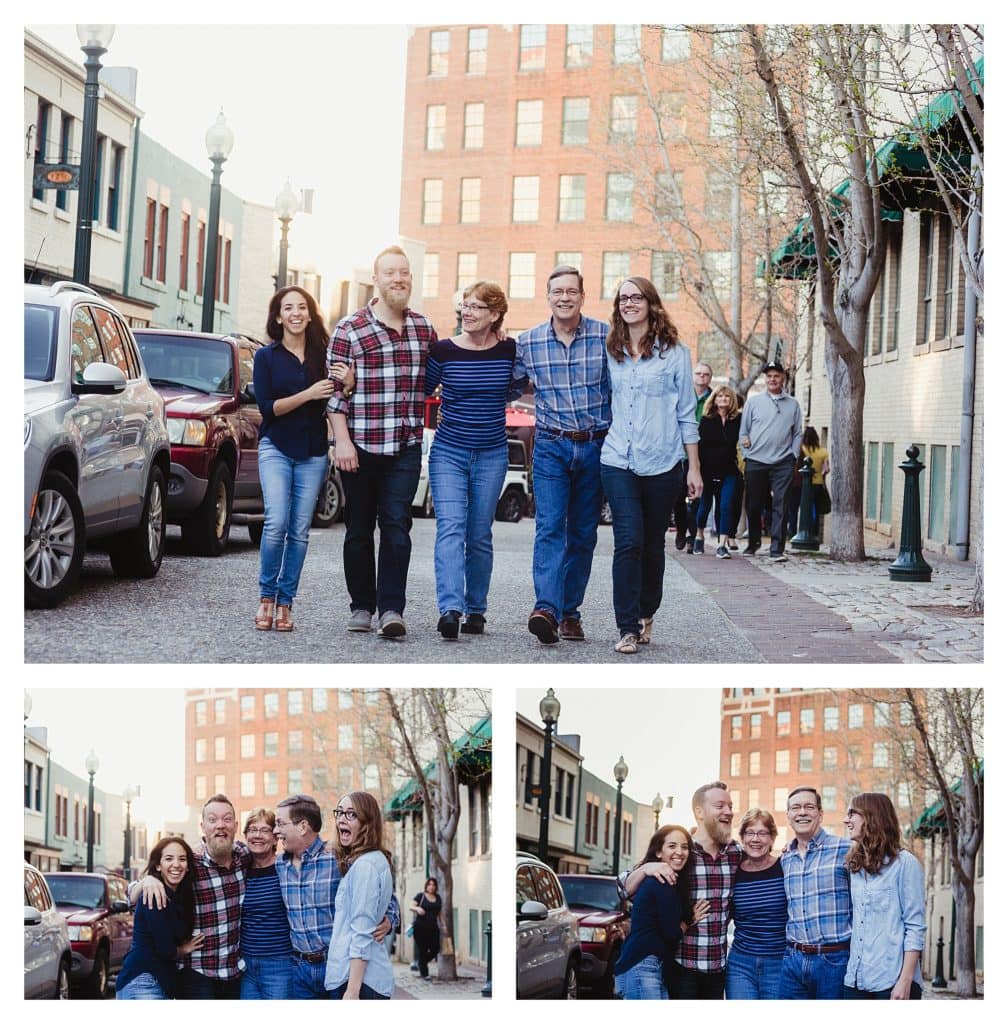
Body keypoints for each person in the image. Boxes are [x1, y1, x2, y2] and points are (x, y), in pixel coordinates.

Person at [327, 246, 437, 639]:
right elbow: (334, 394)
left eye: (404, 272)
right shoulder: (350, 329)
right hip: (359, 446)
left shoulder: (424, 329)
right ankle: (361, 605)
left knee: (397, 526)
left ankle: (392, 608)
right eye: (390, 272)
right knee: (358, 529)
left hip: (404, 446)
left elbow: (440, 379)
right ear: (376, 279)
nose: (398, 279)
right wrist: (342, 442)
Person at [600, 277, 701, 654]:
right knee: (628, 541)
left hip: (662, 462)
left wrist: (694, 468)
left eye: (635, 297)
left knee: (652, 543)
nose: (628, 303)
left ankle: (645, 612)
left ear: (651, 303)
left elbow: (686, 414)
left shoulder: (675, 353)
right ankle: (626, 626)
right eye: (622, 298)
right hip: (617, 459)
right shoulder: (609, 350)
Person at [514, 264, 610, 645]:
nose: (565, 298)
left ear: (582, 297)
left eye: (572, 291)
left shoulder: (606, 336)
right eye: (558, 292)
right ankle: (547, 610)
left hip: (596, 444)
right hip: (551, 445)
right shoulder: (529, 342)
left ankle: (571, 612)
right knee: (550, 527)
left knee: (583, 534)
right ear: (548, 296)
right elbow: (505, 386)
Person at [253, 286, 350, 633]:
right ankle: (266, 596)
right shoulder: (266, 357)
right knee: (276, 521)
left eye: (301, 307)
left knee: (299, 531)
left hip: (312, 452)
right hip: (276, 447)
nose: (295, 313)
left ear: (310, 314)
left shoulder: (324, 356)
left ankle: (285, 602)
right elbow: (267, 409)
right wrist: (308, 394)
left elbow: (340, 398)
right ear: (278, 317)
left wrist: (348, 383)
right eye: (287, 308)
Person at [425, 281, 520, 639]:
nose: (467, 312)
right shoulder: (444, 350)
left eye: (477, 307)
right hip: (449, 451)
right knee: (450, 527)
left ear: (495, 314)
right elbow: (420, 389)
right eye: (465, 305)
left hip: (492, 453)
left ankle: (476, 609)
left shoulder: (510, 350)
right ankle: (450, 608)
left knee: (479, 534)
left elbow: (517, 386)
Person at [623, 781, 739, 999]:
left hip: (718, 969)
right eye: (720, 806)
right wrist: (648, 867)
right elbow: (622, 886)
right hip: (682, 966)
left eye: (730, 806)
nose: (729, 812)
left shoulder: (735, 852)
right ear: (699, 812)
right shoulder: (679, 851)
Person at [274, 793, 397, 999]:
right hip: (300, 968)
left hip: (336, 964)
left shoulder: (338, 857)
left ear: (302, 827)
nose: (276, 831)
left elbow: (381, 895)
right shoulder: (279, 864)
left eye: (280, 824)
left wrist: (391, 918)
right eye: (339, 813)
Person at [135, 794, 249, 999]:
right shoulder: (189, 864)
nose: (220, 825)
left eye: (227, 819)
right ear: (202, 827)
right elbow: (132, 895)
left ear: (236, 825)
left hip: (234, 972)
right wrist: (148, 880)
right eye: (212, 820)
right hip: (196, 974)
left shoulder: (245, 857)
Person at [843, 793, 926, 1000]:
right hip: (854, 981)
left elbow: (915, 927)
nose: (847, 820)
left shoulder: (906, 864)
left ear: (872, 817)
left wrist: (905, 981)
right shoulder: (854, 867)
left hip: (891, 983)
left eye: (853, 813)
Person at [778, 786, 854, 999]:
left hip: (834, 961)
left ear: (820, 814)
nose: (802, 812)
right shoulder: (785, 859)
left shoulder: (846, 850)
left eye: (809, 807)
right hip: (793, 961)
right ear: (789, 816)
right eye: (796, 807)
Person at [324, 791, 395, 1000]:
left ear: (367, 823)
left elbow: (362, 932)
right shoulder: (366, 861)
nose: (341, 820)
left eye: (351, 815)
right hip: (358, 980)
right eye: (339, 813)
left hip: (359, 982)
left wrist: (352, 991)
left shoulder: (366, 866)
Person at [613, 825, 695, 999]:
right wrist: (687, 923)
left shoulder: (665, 880)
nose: (679, 852)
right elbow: (671, 933)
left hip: (644, 965)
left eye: (684, 847)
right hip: (644, 966)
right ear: (658, 852)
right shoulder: (661, 880)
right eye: (672, 846)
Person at [116, 837, 203, 999]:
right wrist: (183, 949)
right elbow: (165, 949)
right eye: (168, 859)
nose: (176, 864)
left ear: (188, 867)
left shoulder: (179, 897)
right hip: (143, 980)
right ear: (158, 865)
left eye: (182, 859)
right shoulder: (154, 894)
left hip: (159, 980)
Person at [740, 361, 803, 562]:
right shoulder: (753, 402)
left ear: (783, 378)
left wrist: (793, 455)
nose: (772, 379)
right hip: (756, 460)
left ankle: (777, 548)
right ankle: (754, 541)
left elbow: (798, 433)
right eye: (769, 376)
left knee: (781, 503)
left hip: (783, 461)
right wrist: (746, 451)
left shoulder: (793, 404)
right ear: (765, 379)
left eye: (776, 376)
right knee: (754, 503)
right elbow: (744, 431)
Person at [726, 808, 787, 999]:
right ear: (742, 837)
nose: (756, 839)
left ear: (772, 838)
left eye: (762, 833)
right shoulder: (733, 872)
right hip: (740, 965)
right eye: (750, 833)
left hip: (779, 963)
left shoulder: (785, 867)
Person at [239, 808, 293, 999]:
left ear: (275, 837)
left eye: (264, 830)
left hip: (279, 965)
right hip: (246, 966)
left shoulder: (287, 868)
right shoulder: (240, 870)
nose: (258, 835)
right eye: (253, 829)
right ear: (245, 835)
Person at [695, 385, 743, 559]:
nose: (723, 399)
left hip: (729, 470)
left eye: (727, 397)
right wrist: (697, 471)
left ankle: (722, 545)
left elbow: (743, 438)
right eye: (720, 396)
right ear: (714, 399)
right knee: (704, 507)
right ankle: (699, 535)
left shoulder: (738, 420)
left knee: (726, 505)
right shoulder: (707, 420)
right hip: (708, 470)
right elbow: (700, 447)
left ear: (732, 401)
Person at [673, 362, 712, 552]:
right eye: (698, 373)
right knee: (678, 496)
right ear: (692, 376)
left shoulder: (713, 399)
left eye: (706, 374)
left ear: (710, 378)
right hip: (679, 453)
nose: (702, 377)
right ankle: (681, 529)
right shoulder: (682, 395)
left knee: (697, 496)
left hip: (701, 454)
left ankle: (692, 534)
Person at [410, 877, 443, 980]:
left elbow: (440, 913)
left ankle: (421, 962)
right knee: (423, 950)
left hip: (433, 928)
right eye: (429, 884)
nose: (431, 887)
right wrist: (417, 908)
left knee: (436, 948)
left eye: (433, 885)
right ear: (426, 886)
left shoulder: (438, 898)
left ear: (436, 887)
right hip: (420, 928)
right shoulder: (421, 896)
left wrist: (444, 925)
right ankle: (425, 973)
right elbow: (411, 906)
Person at [801, 426, 831, 538]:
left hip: (805, 484)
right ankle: (815, 534)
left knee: (806, 508)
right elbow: (827, 469)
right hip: (818, 483)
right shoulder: (823, 451)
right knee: (816, 510)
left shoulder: (802, 449)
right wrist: (821, 474)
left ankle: (805, 531)